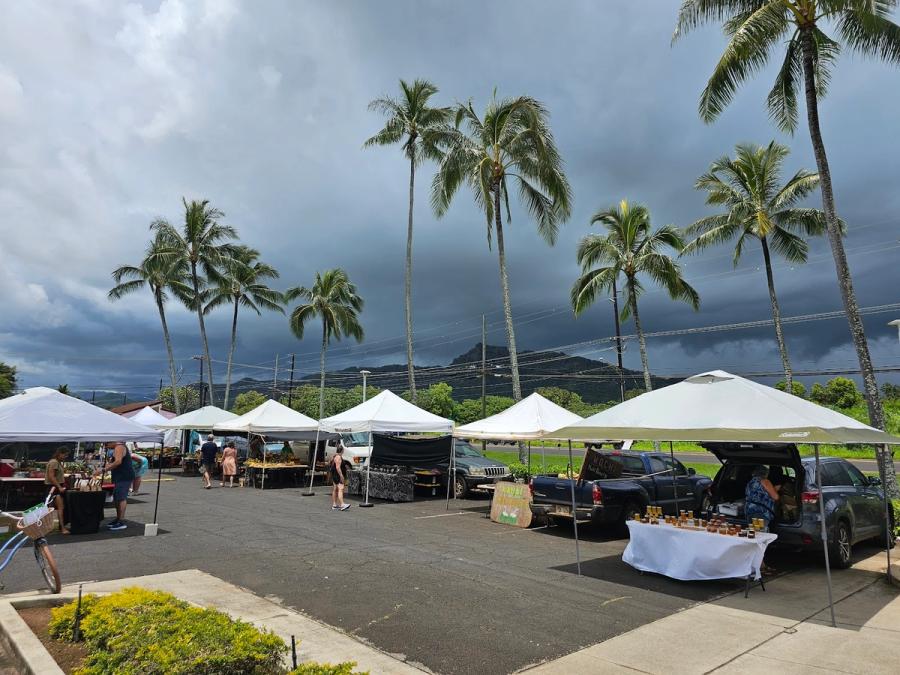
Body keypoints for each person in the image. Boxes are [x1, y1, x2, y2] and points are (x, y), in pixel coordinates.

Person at [746, 465, 781, 574]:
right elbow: (775, 497)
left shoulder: (750, 482)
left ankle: (762, 564)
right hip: (761, 514)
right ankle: (758, 567)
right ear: (765, 474)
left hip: (750, 512)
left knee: (755, 538)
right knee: (761, 539)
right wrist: (776, 489)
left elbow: (759, 495)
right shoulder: (765, 481)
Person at [101, 441, 134, 531]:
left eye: (106, 444)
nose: (106, 446)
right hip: (119, 476)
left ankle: (121, 521)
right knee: (117, 497)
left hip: (123, 476)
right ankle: (118, 519)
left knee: (121, 498)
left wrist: (104, 470)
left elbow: (118, 462)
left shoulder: (119, 447)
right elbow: (116, 462)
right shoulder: (117, 447)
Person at [45, 447, 70, 535]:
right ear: (60, 453)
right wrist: (59, 487)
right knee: (60, 508)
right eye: (65, 455)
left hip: (55, 487)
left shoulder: (56, 462)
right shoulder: (54, 462)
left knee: (52, 508)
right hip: (55, 487)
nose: (65, 457)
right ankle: (62, 528)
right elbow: (52, 476)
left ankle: (57, 527)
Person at [330, 444, 350, 511]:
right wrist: (341, 476)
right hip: (337, 475)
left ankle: (334, 505)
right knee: (341, 488)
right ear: (342, 450)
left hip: (334, 474)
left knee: (335, 489)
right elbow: (338, 467)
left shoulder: (335, 456)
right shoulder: (338, 457)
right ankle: (342, 504)